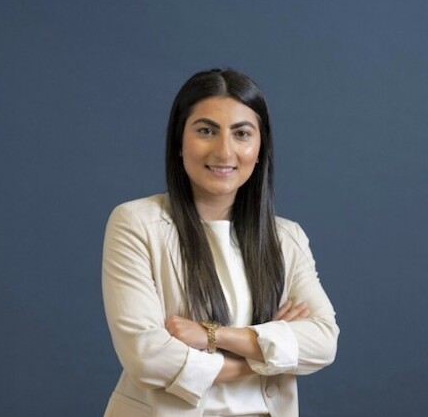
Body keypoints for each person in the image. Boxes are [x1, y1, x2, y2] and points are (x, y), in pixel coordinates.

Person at [102, 69, 339, 416]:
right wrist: (268, 352)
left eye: (241, 133)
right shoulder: (136, 223)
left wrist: (212, 336)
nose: (224, 150)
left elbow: (323, 342)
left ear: (260, 149)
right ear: (179, 142)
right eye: (206, 130)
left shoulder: (287, 238)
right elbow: (146, 357)